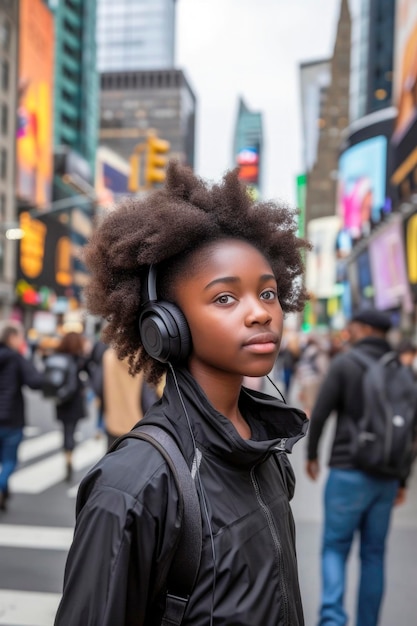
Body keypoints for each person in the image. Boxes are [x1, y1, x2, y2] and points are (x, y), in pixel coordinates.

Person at [54, 161, 310, 626]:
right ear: (164, 326)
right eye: (225, 298)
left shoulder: (269, 450)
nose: (260, 313)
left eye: (268, 293)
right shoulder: (133, 485)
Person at [306, 309, 410, 626]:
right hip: (386, 478)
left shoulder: (345, 363)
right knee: (374, 554)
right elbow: (411, 431)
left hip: (347, 471)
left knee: (335, 548)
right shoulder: (402, 371)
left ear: (362, 328)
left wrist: (312, 455)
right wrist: (402, 479)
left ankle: (333, 620)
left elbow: (321, 413)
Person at [0, 321, 43, 510]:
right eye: (20, 336)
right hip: (11, 418)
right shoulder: (16, 358)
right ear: (12, 338)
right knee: (9, 461)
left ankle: (4, 495)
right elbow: (35, 381)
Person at [102, 346, 161, 448]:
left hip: (113, 422)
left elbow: (99, 387)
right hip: (138, 426)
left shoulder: (108, 356)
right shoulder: (145, 360)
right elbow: (149, 400)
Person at [52, 331, 88, 482]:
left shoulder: (57, 357)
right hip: (75, 401)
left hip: (61, 400)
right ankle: (69, 456)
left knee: (65, 430)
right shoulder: (80, 360)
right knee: (71, 431)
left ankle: (67, 455)